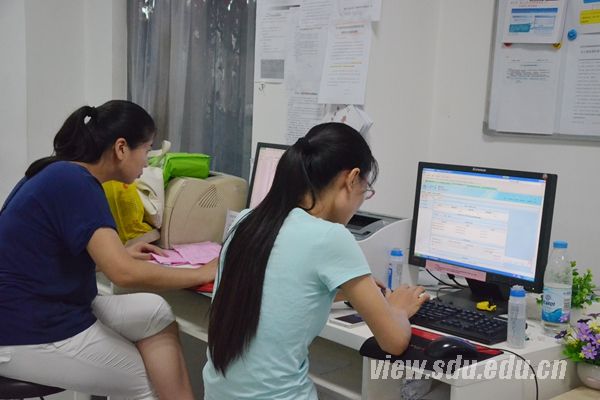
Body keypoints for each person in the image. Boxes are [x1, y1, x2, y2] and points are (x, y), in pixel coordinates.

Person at [0, 100, 216, 400]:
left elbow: (51, 255)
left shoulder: (58, 171)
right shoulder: (76, 183)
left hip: (40, 309)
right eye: (146, 149)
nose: (146, 163)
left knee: (155, 313)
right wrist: (203, 273)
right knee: (152, 384)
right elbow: (123, 274)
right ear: (121, 148)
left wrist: (120, 253)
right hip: (27, 330)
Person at [203, 122, 430, 399]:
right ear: (351, 179)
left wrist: (344, 293)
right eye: (365, 190)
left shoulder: (245, 221)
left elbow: (278, 289)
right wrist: (397, 309)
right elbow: (393, 342)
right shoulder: (330, 236)